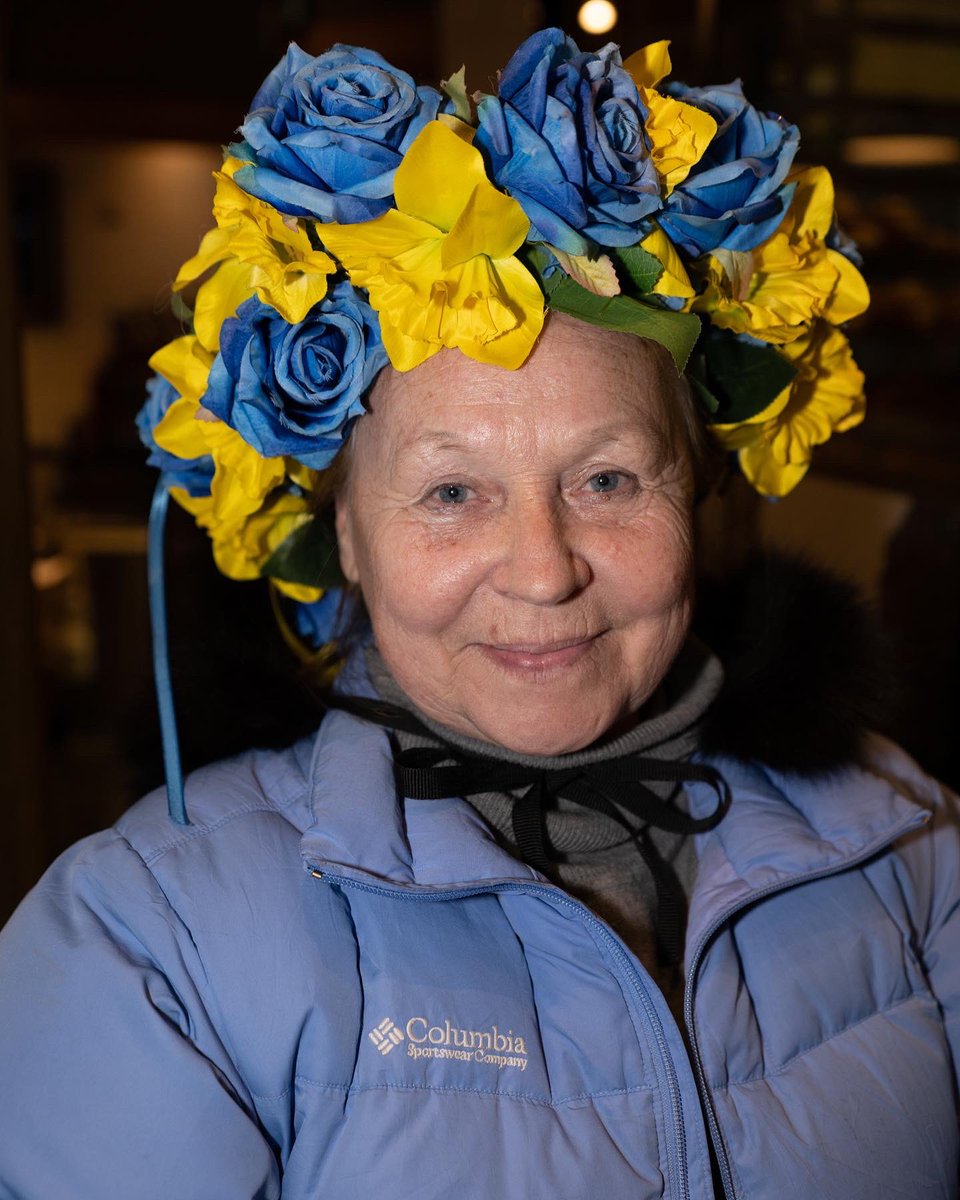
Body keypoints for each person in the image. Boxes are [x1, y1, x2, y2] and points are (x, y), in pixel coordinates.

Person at [1, 27, 957, 1200]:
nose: (544, 570)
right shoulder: (150, 942)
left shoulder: (905, 839)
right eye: (453, 492)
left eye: (607, 480)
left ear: (699, 493)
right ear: (341, 532)